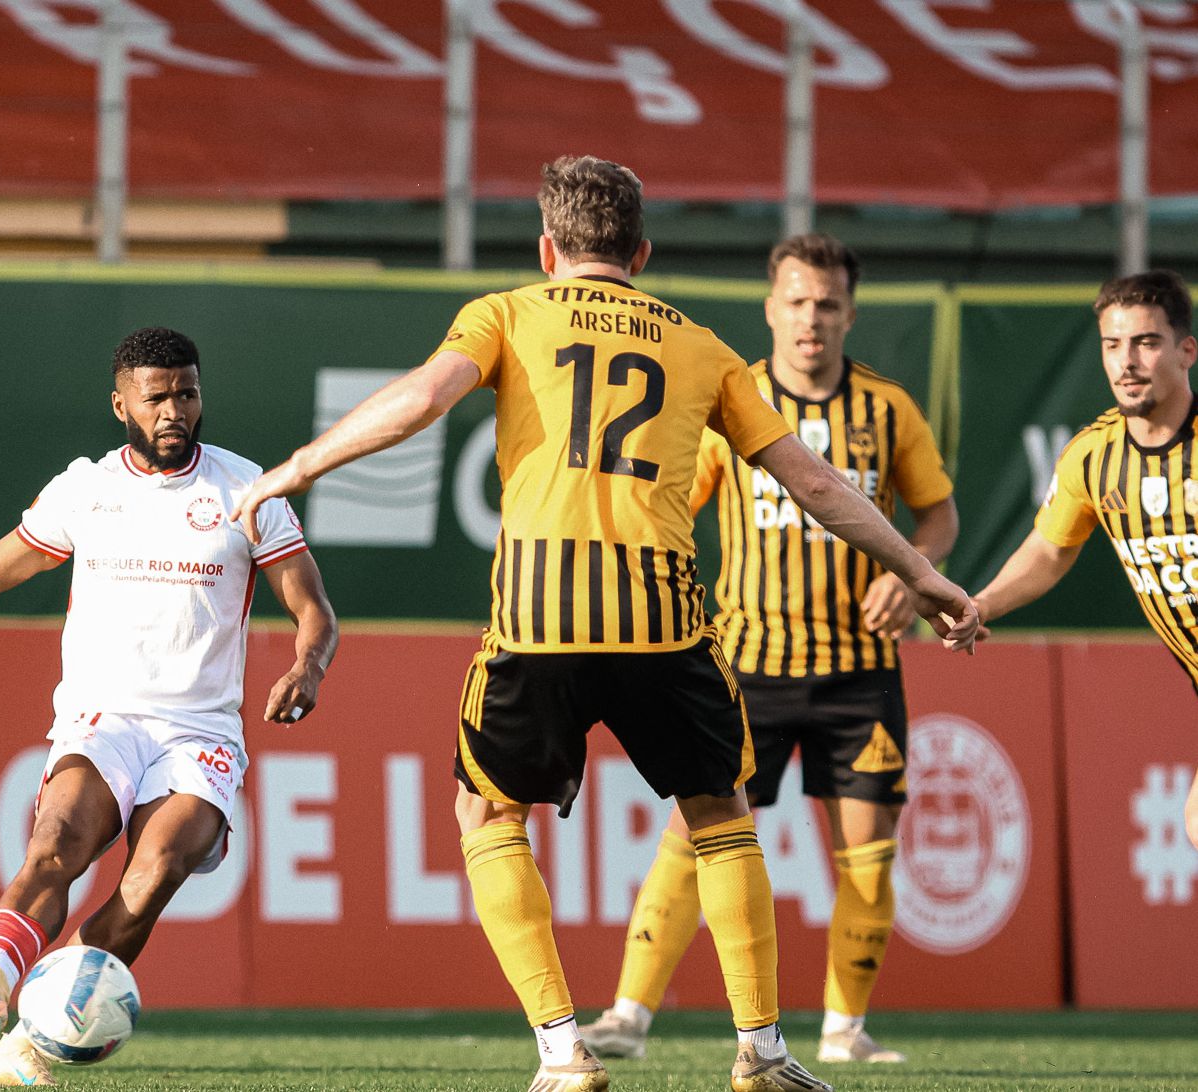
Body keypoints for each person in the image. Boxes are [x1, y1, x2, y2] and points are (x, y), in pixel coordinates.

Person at [232, 156, 979, 1092]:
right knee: (719, 814)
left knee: (487, 812)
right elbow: (817, 483)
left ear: (549, 247)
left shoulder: (506, 312)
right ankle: (763, 1052)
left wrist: (297, 467)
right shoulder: (703, 348)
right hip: (664, 622)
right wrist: (921, 572)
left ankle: (563, 1051)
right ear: (643, 251)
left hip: (539, 619)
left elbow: (422, 399)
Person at [0, 327, 338, 1087]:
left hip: (199, 731)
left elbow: (315, 609)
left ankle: (37, 1040)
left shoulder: (248, 491)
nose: (175, 410)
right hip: (102, 717)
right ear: (121, 404)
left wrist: (308, 667)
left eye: (187, 393)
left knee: (154, 873)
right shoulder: (85, 490)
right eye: (157, 397)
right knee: (56, 842)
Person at [578, 233, 957, 1067]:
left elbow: (937, 511)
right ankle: (628, 1016)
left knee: (868, 853)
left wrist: (915, 573)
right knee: (694, 836)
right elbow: (672, 500)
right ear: (770, 308)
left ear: (850, 313)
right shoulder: (731, 398)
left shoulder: (889, 410)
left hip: (860, 675)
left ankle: (844, 1031)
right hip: (749, 667)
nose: (810, 319)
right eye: (796, 301)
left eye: (826, 304)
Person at [975, 269, 1198, 845]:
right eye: (1112, 345)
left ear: (1186, 351)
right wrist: (982, 604)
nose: (1127, 362)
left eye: (1147, 343)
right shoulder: (1091, 457)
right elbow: (1049, 550)